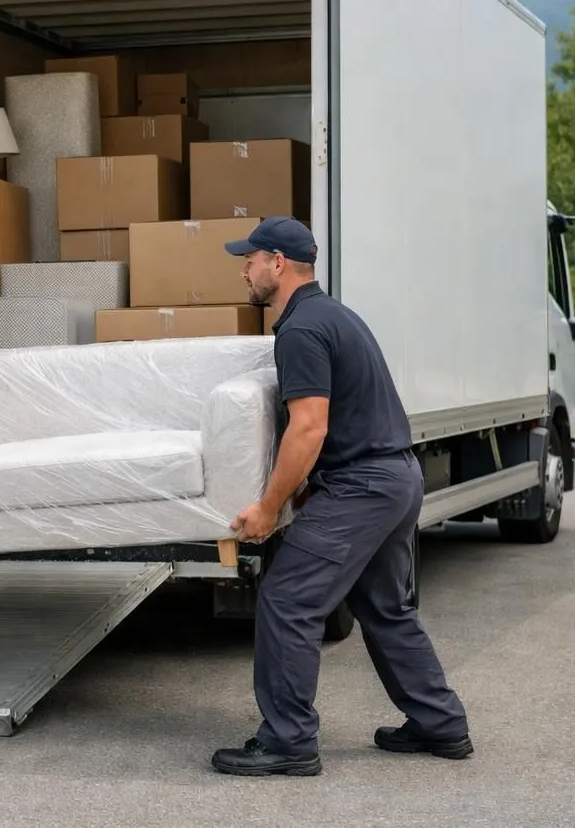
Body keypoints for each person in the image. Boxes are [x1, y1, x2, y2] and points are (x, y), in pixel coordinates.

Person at [211, 216, 472, 777]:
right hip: (394, 477)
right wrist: (310, 486)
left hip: (364, 486)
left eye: (250, 259)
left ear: (277, 264)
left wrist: (268, 506)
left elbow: (309, 427)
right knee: (385, 606)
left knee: (287, 600)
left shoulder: (301, 329)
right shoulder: (335, 314)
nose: (245, 269)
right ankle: (439, 723)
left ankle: (288, 743)